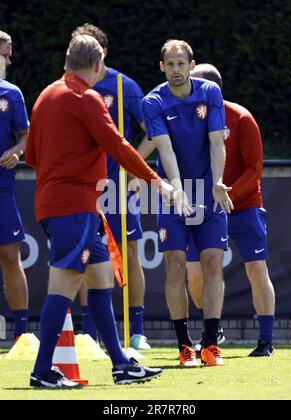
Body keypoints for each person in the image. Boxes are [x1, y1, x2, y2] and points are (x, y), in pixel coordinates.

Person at [26, 34, 174, 388]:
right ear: (97, 65)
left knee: (101, 277)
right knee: (64, 284)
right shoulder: (86, 98)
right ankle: (42, 370)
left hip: (62, 203)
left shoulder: (46, 95)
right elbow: (119, 145)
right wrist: (156, 180)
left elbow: (31, 156)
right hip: (74, 206)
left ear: (67, 60)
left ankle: (121, 364)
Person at [142, 40, 233, 367]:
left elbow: (216, 142)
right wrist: (177, 191)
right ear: (162, 67)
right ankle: (184, 347)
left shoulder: (210, 92)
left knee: (211, 263)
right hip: (173, 193)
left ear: (191, 65)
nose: (176, 70)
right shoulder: (153, 101)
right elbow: (164, 150)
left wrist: (219, 182)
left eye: (182, 64)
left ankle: (210, 345)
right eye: (171, 64)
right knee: (175, 265)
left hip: (209, 192)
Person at [187, 64, 275, 357]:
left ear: (212, 89)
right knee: (196, 272)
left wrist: (230, 192)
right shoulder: (190, 119)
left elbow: (255, 168)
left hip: (244, 204)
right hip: (206, 206)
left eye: (195, 85)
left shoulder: (241, 118)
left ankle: (266, 341)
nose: (189, 91)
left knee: (256, 267)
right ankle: (213, 327)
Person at [72, 24, 150, 350]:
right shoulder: (70, 88)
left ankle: (138, 331)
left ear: (101, 55)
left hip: (119, 187)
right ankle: (89, 332)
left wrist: (134, 168)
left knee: (129, 252)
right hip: (85, 185)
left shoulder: (123, 85)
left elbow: (152, 131)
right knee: (85, 253)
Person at [0, 31, 29, 341]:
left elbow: (25, 135)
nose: (9, 60)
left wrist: (16, 151)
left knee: (10, 255)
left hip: (2, 188)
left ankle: (21, 335)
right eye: (5, 53)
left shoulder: (12, 94)